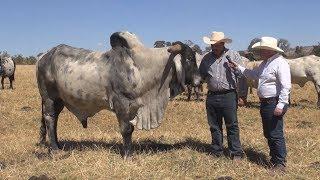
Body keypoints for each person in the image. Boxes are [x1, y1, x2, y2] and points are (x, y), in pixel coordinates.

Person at [228, 36, 291, 172]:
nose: (260, 51)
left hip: (274, 102)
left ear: (269, 50)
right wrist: (237, 67)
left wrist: (281, 105)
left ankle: (280, 164)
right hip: (265, 103)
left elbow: (286, 86)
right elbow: (253, 74)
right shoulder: (265, 63)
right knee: (269, 132)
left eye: (262, 49)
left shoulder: (281, 63)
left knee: (275, 133)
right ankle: (274, 159)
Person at [199, 31, 244, 160]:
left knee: (232, 125)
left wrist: (235, 69)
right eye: (212, 45)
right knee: (214, 125)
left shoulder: (233, 55)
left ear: (223, 44)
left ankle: (235, 153)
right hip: (212, 96)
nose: (214, 47)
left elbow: (242, 75)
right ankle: (216, 151)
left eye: (217, 45)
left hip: (229, 95)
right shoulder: (206, 58)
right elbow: (201, 75)